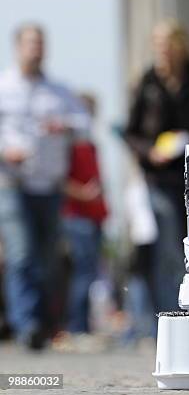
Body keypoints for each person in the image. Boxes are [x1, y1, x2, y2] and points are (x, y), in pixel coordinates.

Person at [0, 24, 89, 349]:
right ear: (17, 47)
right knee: (22, 253)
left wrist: (64, 125)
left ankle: (44, 322)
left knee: (48, 258)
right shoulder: (4, 86)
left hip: (50, 186)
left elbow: (85, 124)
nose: (35, 49)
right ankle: (27, 325)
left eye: (40, 43)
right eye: (30, 43)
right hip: (12, 182)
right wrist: (5, 151)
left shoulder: (59, 91)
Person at [124, 19, 189, 318]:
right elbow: (131, 132)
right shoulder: (147, 84)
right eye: (158, 43)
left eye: (168, 43)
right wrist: (149, 152)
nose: (162, 50)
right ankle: (170, 314)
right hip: (158, 178)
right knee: (167, 250)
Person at [61, 94, 108, 334]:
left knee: (91, 273)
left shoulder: (90, 144)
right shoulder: (68, 144)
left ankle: (82, 325)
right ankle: (76, 327)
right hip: (77, 216)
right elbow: (59, 180)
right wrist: (83, 193)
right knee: (82, 272)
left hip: (95, 216)